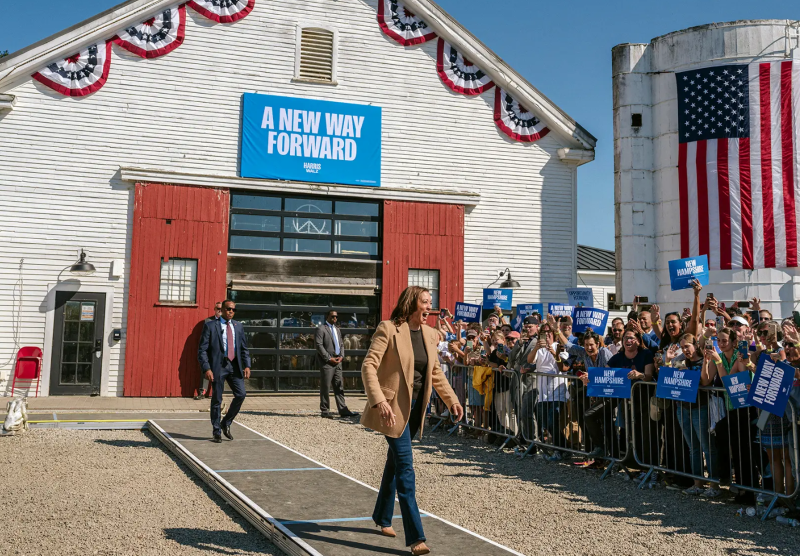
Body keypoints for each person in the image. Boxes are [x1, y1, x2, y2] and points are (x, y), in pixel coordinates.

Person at [361, 286, 464, 556]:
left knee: (394, 463)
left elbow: (435, 373)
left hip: (417, 409)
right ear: (411, 304)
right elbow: (368, 366)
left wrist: (452, 399)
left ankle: (382, 517)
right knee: (406, 468)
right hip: (391, 409)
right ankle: (416, 537)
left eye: (431, 302)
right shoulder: (389, 328)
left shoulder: (430, 335)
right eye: (425, 301)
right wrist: (379, 399)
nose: (429, 306)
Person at [673, 333, 720, 497]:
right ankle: (697, 483)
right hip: (683, 407)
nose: (685, 350)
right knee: (693, 448)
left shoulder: (706, 360)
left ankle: (714, 485)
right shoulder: (680, 361)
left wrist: (703, 363)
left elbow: (705, 381)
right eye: (683, 347)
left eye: (688, 346)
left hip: (701, 407)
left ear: (695, 345)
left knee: (707, 447)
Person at [197, 299, 250, 443]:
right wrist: (206, 368)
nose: (231, 311)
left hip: (235, 366)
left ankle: (226, 423)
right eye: (228, 309)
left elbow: (244, 348)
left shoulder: (238, 327)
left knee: (241, 394)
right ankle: (216, 431)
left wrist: (247, 365)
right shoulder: (211, 326)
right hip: (218, 367)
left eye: (233, 309)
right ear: (222, 310)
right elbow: (202, 350)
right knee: (217, 399)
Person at [315, 310, 359, 419]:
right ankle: (325, 411)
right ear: (327, 317)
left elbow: (341, 344)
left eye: (336, 317)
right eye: (333, 316)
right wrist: (328, 358)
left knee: (339, 386)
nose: (335, 318)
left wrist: (342, 356)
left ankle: (343, 410)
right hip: (327, 362)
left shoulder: (337, 329)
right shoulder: (321, 329)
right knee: (325, 387)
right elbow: (319, 345)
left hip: (338, 362)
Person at [195, 301, 222, 400]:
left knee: (219, 373)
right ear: (214, 310)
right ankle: (202, 392)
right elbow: (204, 337)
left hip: (220, 353)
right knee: (205, 371)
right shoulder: (208, 321)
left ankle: (216, 394)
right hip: (209, 351)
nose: (219, 310)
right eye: (217, 308)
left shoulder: (226, 322)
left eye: (221, 308)